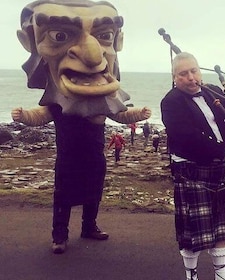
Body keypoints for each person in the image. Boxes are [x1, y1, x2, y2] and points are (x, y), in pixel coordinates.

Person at [11, 0, 151, 254]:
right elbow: (41, 115)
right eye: (60, 35)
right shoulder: (58, 101)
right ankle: (59, 236)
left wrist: (139, 114)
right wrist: (22, 116)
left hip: (94, 157)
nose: (92, 54)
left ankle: (89, 227)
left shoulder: (102, 101)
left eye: (105, 36)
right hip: (67, 159)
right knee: (63, 197)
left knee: (93, 194)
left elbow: (120, 114)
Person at [161, 52, 225, 280]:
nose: (190, 77)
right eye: (183, 73)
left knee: (220, 227)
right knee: (192, 232)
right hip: (190, 169)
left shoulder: (211, 90)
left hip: (217, 169)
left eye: (193, 71)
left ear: (200, 71)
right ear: (175, 77)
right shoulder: (171, 102)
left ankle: (221, 273)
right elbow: (188, 138)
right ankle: (191, 274)